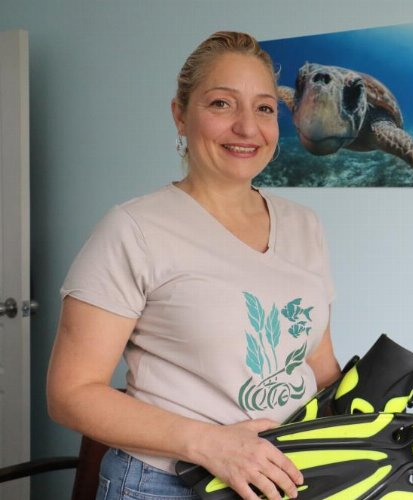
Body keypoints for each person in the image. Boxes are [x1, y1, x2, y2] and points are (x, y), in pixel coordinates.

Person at [47, 31, 340, 500]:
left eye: (264, 108)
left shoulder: (305, 225)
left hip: (285, 477)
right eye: (222, 104)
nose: (247, 127)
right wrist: (212, 444)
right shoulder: (134, 229)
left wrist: (392, 449)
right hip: (166, 484)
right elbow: (71, 394)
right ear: (180, 114)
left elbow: (321, 369)